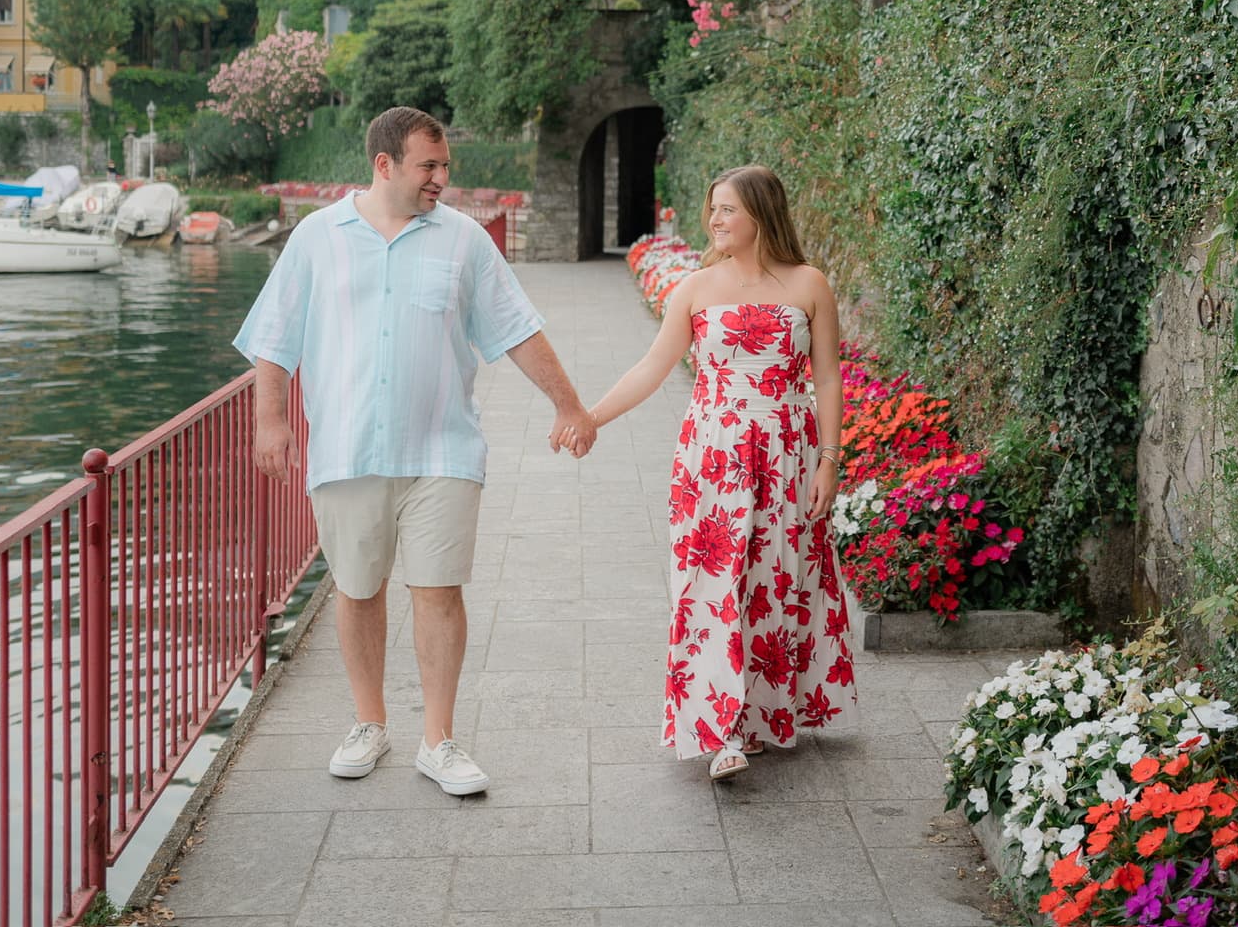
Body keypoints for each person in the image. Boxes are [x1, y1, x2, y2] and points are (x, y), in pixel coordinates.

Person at [238, 105, 596, 794]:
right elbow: (273, 341)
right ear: (384, 164)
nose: (441, 179)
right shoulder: (318, 238)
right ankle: (369, 723)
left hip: (442, 449)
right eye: (429, 166)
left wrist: (568, 403)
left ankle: (439, 740)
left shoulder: (463, 241)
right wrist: (270, 422)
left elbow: (516, 329)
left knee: (439, 592)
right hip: (345, 448)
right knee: (357, 588)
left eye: (445, 167)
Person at [569, 164, 857, 780]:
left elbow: (828, 376)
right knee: (712, 584)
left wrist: (830, 462)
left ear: (762, 213)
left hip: (788, 453)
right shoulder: (695, 288)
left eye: (727, 209)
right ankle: (719, 729)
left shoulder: (810, 285)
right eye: (713, 209)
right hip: (714, 458)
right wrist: (592, 416)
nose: (715, 220)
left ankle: (759, 717)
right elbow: (651, 367)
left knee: (776, 579)